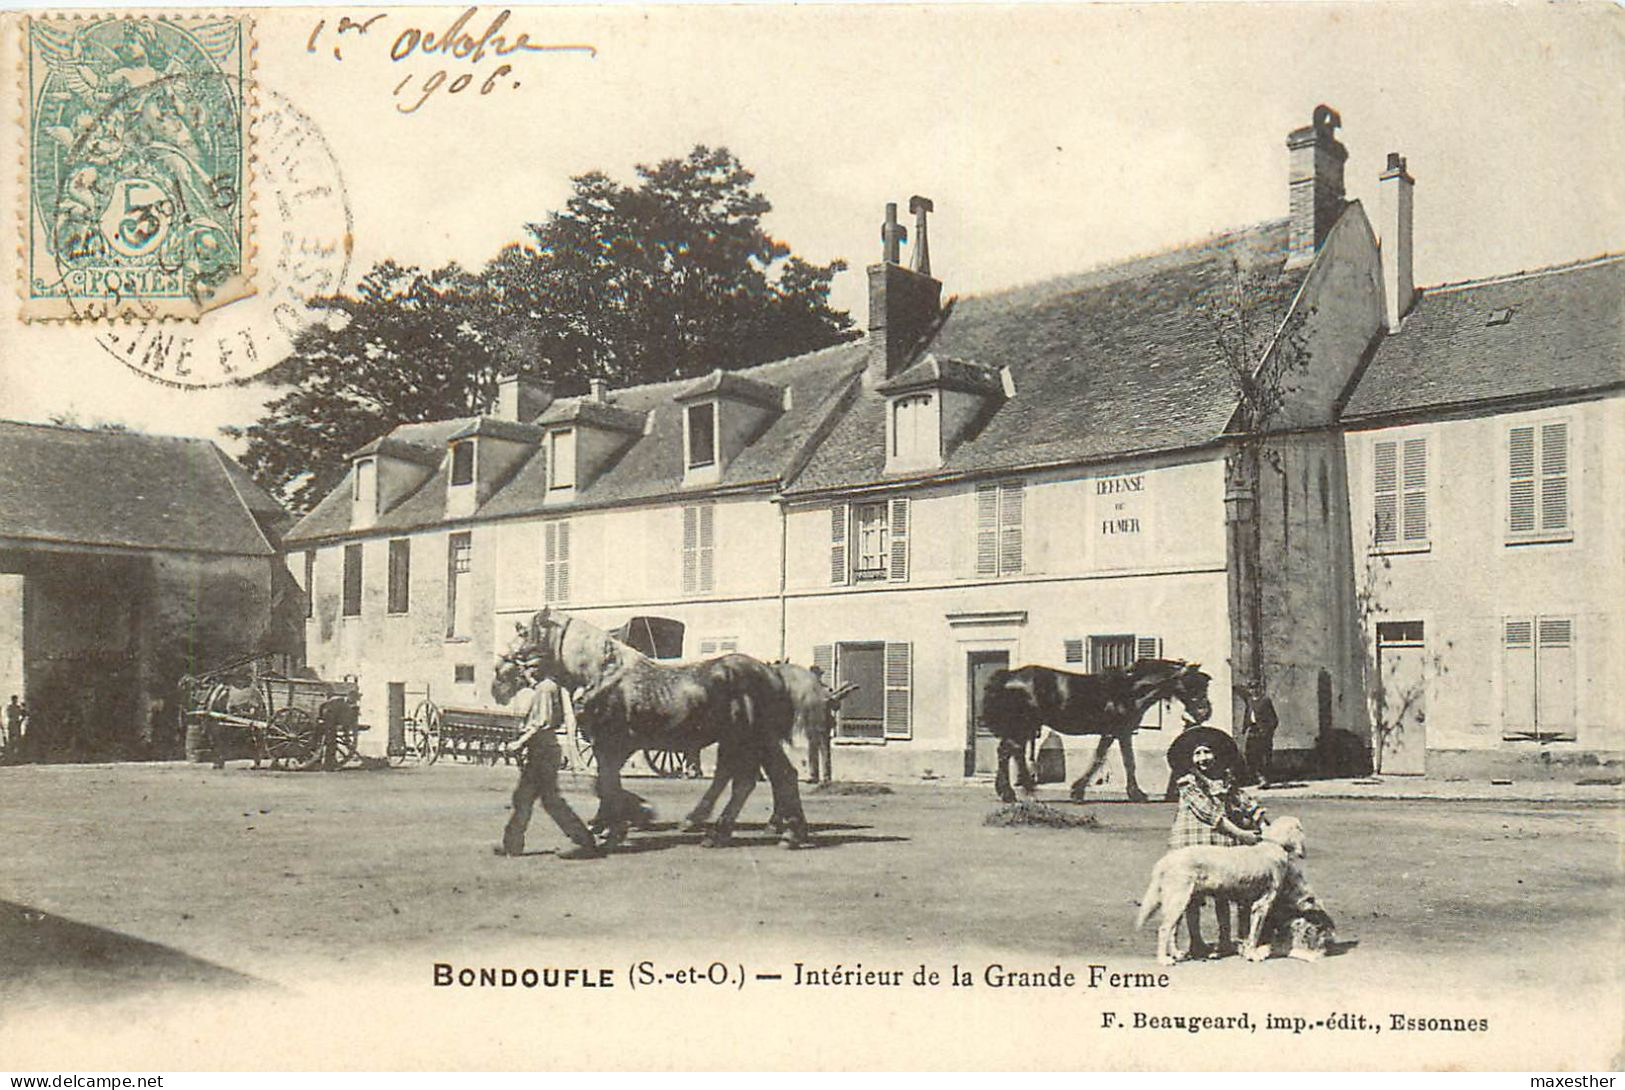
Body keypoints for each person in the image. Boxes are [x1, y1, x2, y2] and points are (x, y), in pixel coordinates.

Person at [1168, 741, 1268, 958]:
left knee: (1223, 892)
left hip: (1219, 843)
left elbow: (1246, 802)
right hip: (1192, 843)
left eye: (1207, 752)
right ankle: (1195, 941)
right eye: (1197, 753)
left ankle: (1225, 940)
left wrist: (1264, 824)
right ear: (1189, 758)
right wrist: (1242, 835)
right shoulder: (1187, 783)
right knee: (1191, 896)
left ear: (1217, 755)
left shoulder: (1225, 781)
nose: (1202, 758)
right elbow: (1210, 814)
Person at [497, 675, 602, 860]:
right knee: (529, 798)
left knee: (540, 800)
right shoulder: (548, 686)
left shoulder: (545, 689)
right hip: (543, 750)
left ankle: (584, 841)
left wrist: (519, 743)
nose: (525, 674)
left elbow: (541, 723)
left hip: (543, 752)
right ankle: (512, 845)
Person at [1239, 682, 1279, 787]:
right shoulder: (1250, 701)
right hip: (1253, 730)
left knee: (1264, 755)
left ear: (1259, 689)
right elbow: (1248, 714)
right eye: (1251, 689)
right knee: (1250, 754)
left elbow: (1274, 719)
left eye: (1256, 688)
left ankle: (1265, 779)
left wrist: (1268, 731)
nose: (1253, 691)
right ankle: (1257, 776)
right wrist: (1244, 728)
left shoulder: (1265, 701)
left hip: (1263, 732)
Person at [805, 665, 835, 785]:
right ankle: (814, 775)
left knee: (825, 751)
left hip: (824, 724)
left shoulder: (826, 690)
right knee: (812, 752)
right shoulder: (806, 691)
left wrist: (832, 701)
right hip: (811, 724)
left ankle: (826, 777)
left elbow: (836, 707)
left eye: (817, 675)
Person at [5, 695, 25, 760]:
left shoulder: (18, 707)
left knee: (17, 738)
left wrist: (21, 721)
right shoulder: (10, 707)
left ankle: (17, 754)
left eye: (16, 699)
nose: (15, 701)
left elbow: (23, 714)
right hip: (12, 723)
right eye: (14, 699)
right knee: (11, 738)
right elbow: (9, 715)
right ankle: (10, 754)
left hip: (16, 723)